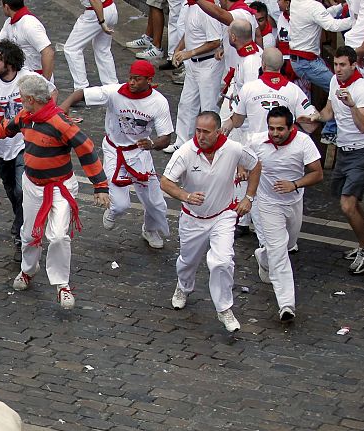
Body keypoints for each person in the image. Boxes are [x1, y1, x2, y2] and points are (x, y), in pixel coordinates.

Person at [0, 74, 110, 309]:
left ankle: (62, 284)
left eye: (22, 98)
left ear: (31, 99)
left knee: (59, 236)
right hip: (33, 185)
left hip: (60, 188)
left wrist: (100, 186)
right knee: (29, 233)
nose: (20, 101)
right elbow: (5, 128)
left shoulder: (60, 123)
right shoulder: (26, 116)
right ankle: (28, 270)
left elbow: (86, 149)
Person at [160, 111, 261, 332]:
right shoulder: (185, 152)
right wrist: (186, 196)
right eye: (198, 130)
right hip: (193, 218)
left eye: (206, 131)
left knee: (222, 262)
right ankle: (183, 287)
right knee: (187, 261)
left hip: (223, 216)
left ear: (218, 132)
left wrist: (249, 197)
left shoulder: (234, 149)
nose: (201, 136)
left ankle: (224, 308)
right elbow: (166, 182)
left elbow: (255, 165)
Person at [60, 60, 174, 249]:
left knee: (156, 203)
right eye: (130, 78)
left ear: (149, 80)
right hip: (114, 151)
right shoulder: (114, 92)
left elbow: (166, 138)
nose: (132, 82)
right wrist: (65, 105)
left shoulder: (158, 102)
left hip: (140, 154)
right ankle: (113, 211)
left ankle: (150, 229)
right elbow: (82, 94)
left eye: (137, 79)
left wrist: (152, 144)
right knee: (120, 204)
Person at [0, 40, 56, 261]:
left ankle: (21, 233)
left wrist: (45, 121)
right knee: (11, 189)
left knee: (21, 190)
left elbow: (52, 93)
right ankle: (20, 219)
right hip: (0, 146)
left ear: (9, 63)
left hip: (24, 144)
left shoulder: (28, 78)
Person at [248, 106, 323, 321]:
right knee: (279, 252)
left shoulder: (303, 142)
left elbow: (317, 174)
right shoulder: (256, 141)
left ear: (291, 128)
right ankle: (286, 305)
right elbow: (242, 161)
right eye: (271, 128)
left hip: (293, 202)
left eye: (280, 129)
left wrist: (294, 184)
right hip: (267, 204)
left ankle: (263, 256)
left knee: (288, 244)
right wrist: (242, 171)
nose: (275, 133)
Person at [312, 46, 364, 273]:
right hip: (343, 150)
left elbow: (363, 125)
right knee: (350, 203)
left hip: (361, 151)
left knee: (347, 205)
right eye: (336, 64)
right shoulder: (334, 82)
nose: (338, 69)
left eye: (343, 65)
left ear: (353, 65)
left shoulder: (362, 88)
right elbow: (329, 112)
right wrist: (314, 117)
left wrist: (352, 105)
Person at [288, 0, 355, 143]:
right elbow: (331, 25)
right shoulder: (313, 6)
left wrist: (340, 7)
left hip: (302, 61)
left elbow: (321, 15)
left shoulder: (296, 3)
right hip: (307, 62)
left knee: (335, 87)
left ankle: (327, 127)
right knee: (337, 88)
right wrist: (357, 20)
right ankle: (329, 132)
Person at [165, 0, 223, 151]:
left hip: (209, 65)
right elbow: (189, 32)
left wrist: (190, 53)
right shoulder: (191, 7)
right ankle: (182, 143)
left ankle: (212, 145)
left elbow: (215, 42)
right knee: (186, 104)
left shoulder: (207, 10)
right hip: (194, 65)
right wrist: (178, 50)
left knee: (209, 107)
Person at [223, 47, 317, 135]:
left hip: (256, 145)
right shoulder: (294, 90)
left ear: (263, 65)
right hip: (283, 144)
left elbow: (237, 122)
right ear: (282, 64)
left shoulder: (247, 88)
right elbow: (310, 127)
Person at [0, 0, 55, 82]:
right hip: (21, 77)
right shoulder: (9, 23)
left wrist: (45, 83)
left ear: (6, 7)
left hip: (35, 78)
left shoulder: (30, 25)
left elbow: (48, 53)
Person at [63, 0, 118, 90]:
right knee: (102, 49)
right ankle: (112, 87)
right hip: (110, 8)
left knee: (71, 49)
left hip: (96, 13)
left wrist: (102, 22)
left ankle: (81, 88)